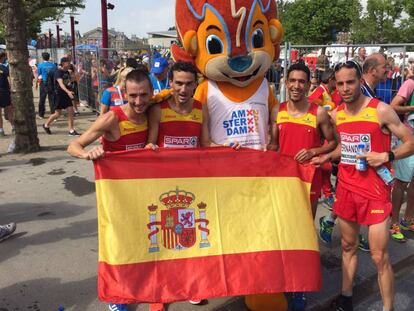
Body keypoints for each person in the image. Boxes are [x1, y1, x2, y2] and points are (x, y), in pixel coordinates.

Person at [311, 60, 414, 311]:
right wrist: (326, 156)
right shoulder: (337, 114)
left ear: (360, 80)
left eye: (351, 82)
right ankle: (346, 298)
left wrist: (386, 156)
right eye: (341, 83)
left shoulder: (381, 110)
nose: (346, 88)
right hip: (346, 188)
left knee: (379, 256)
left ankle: (387, 307)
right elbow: (342, 146)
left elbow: (410, 141)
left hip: (376, 191)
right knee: (347, 246)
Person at [68, 69, 153, 311]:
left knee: (144, 240)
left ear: (152, 93)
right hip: (117, 196)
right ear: (124, 92)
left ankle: (140, 284)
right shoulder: (112, 119)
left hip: (145, 192)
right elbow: (73, 145)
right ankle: (116, 296)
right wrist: (88, 153)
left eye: (144, 95)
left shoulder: (152, 112)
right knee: (118, 244)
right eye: (133, 95)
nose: (138, 102)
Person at [269, 63, 337, 311]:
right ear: (286, 83)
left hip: (308, 184)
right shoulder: (278, 110)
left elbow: (332, 143)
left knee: (303, 234)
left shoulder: (319, 113)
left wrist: (313, 151)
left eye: (301, 81)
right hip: (282, 184)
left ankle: (300, 287)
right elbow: (273, 145)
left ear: (309, 84)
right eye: (292, 81)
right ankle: (282, 277)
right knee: (281, 231)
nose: (296, 86)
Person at [146, 62, 205, 310]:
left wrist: (229, 152)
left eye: (188, 83)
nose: (183, 88)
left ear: (195, 85)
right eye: (178, 82)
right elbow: (150, 143)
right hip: (163, 185)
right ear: (171, 83)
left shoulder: (201, 108)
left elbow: (205, 145)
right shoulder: (159, 108)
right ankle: (161, 291)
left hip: (191, 185)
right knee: (163, 237)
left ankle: (190, 284)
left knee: (189, 238)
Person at [389, 76, 414, 242]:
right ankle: (394, 222)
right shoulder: (410, 83)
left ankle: (408, 219)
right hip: (408, 135)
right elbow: (392, 107)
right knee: (401, 181)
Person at [43, 57, 80, 136]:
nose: (70, 64)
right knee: (57, 114)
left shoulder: (67, 72)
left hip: (66, 94)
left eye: (70, 62)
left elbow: (71, 80)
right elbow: (61, 84)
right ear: (63, 63)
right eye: (68, 62)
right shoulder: (58, 72)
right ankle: (46, 125)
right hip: (59, 94)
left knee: (70, 111)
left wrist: (76, 72)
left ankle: (71, 130)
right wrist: (68, 91)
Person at [37, 52, 57, 119]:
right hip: (51, 83)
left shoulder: (40, 65)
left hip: (43, 83)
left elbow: (39, 74)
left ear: (42, 58)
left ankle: (41, 114)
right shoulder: (53, 65)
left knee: (42, 99)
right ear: (49, 57)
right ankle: (53, 114)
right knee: (52, 99)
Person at [0, 51, 14, 136]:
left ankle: (1, 130)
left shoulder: (5, 68)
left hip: (4, 91)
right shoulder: (5, 68)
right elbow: (10, 80)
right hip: (5, 92)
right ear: (2, 58)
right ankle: (13, 127)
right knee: (9, 111)